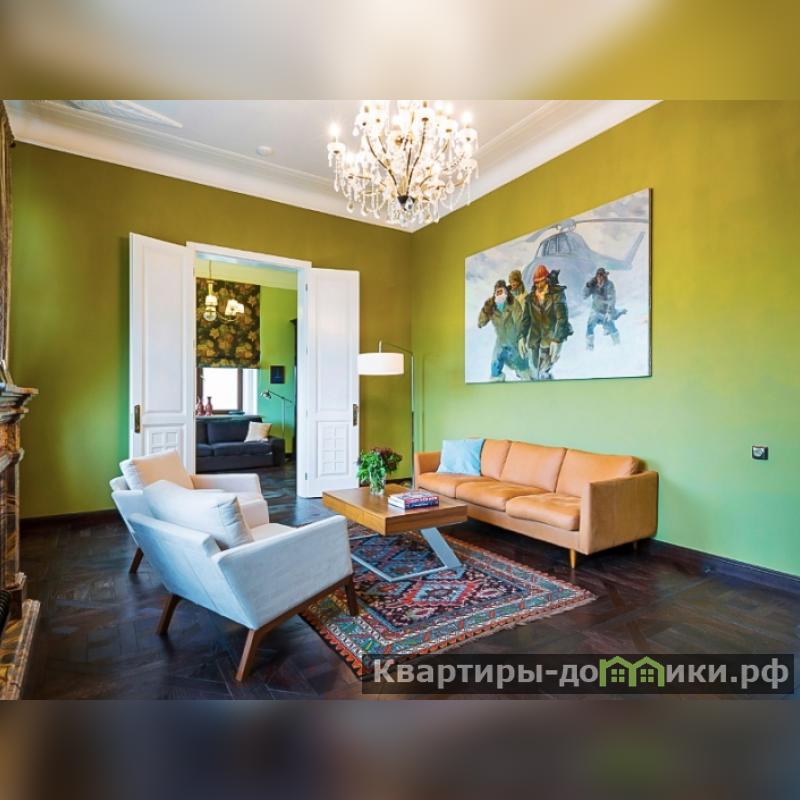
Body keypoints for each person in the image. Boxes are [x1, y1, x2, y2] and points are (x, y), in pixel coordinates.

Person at [518, 264, 573, 380]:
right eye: (536, 282)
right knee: (533, 370)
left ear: (546, 279)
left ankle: (546, 378)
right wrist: (521, 336)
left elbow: (562, 319)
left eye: (541, 281)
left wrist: (556, 340)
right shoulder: (530, 299)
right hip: (535, 338)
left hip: (553, 336)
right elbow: (526, 320)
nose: (538, 285)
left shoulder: (557, 295)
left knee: (544, 369)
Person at [479, 279, 531, 381]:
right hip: (501, 341)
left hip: (514, 340)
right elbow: (483, 317)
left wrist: (521, 337)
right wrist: (483, 317)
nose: (499, 294)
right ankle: (497, 380)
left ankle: (525, 377)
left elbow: (519, 320)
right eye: (497, 292)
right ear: (495, 293)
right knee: (495, 365)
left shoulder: (513, 303)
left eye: (501, 291)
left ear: (506, 292)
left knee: (522, 365)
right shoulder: (491, 306)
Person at [583, 267, 627, 350]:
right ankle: (589, 347)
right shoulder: (593, 284)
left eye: (601, 276)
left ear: (604, 276)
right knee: (590, 326)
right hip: (595, 310)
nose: (600, 278)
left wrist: (609, 312)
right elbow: (584, 296)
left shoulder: (609, 285)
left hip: (605, 311)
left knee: (611, 328)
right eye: (598, 276)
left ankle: (618, 345)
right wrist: (588, 286)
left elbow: (612, 299)